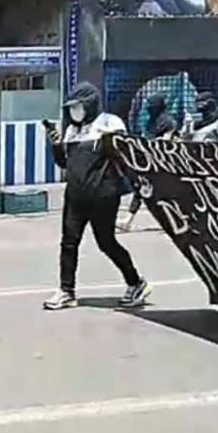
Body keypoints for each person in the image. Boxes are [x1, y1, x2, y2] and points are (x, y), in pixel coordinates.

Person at [44, 82, 151, 311]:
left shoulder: (110, 124)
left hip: (103, 196)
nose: (75, 111)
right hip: (75, 197)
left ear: (89, 104)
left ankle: (136, 282)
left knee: (106, 242)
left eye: (78, 106)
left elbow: (126, 157)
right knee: (69, 243)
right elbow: (65, 163)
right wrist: (56, 146)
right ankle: (66, 291)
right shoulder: (72, 130)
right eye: (71, 107)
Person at [117, 94, 177, 232]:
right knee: (140, 190)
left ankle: (176, 221)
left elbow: (166, 141)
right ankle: (128, 221)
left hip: (163, 164)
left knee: (166, 194)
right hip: (148, 163)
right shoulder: (150, 121)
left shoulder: (168, 122)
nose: (149, 109)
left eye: (151, 106)